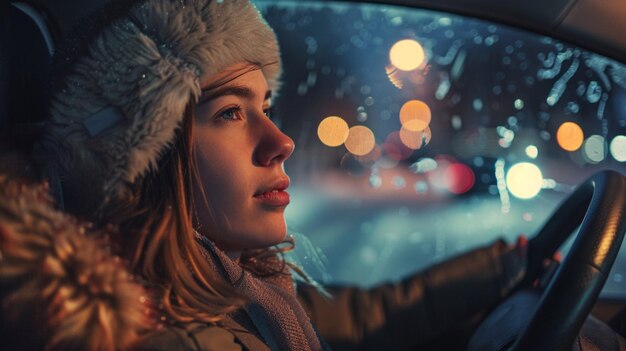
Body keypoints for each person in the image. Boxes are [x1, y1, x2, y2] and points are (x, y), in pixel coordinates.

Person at [0, 0, 530, 350]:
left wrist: (503, 268)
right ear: (144, 159)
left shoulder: (242, 288)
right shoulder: (173, 338)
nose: (281, 141)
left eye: (266, 107)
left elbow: (361, 316)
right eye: (230, 112)